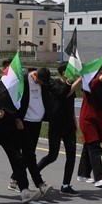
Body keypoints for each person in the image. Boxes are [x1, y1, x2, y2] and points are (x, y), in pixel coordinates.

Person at [0, 59, 42, 203]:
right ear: (3, 69)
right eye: (9, 68)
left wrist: (16, 118)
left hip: (9, 129)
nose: (12, 72)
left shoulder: (16, 88)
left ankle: (24, 190)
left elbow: (16, 106)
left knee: (17, 158)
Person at [38, 62, 82, 194]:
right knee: (52, 155)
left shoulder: (70, 87)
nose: (73, 72)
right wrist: (78, 80)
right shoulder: (54, 84)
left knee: (71, 155)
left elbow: (71, 103)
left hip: (68, 125)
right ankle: (34, 172)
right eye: (70, 70)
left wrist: (75, 122)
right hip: (56, 124)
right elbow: (64, 94)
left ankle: (66, 185)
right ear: (63, 72)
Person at [13, 67, 54, 197]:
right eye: (39, 81)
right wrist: (16, 118)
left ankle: (14, 179)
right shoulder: (23, 79)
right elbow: (14, 99)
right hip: (24, 122)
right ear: (34, 74)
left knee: (28, 154)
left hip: (37, 121)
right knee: (29, 154)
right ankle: (40, 184)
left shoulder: (44, 82)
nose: (40, 84)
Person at [77, 66, 102, 187]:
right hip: (88, 121)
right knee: (95, 148)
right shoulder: (89, 86)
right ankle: (99, 177)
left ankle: (83, 174)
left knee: (87, 147)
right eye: (100, 73)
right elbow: (92, 85)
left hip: (97, 121)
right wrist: (100, 78)